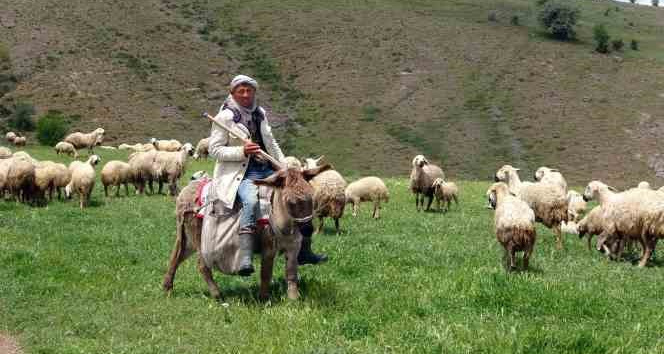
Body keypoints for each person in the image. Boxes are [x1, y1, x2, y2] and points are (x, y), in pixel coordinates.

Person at [207, 74, 327, 276]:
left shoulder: (259, 113)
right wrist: (242, 152)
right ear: (232, 93)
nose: (246, 94)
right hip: (243, 172)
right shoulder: (224, 118)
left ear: (254, 92)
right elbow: (214, 150)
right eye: (241, 91)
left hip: (268, 167)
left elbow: (271, 143)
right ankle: (245, 256)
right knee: (250, 201)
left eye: (249, 90)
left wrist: (283, 166)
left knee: (301, 196)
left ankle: (304, 249)